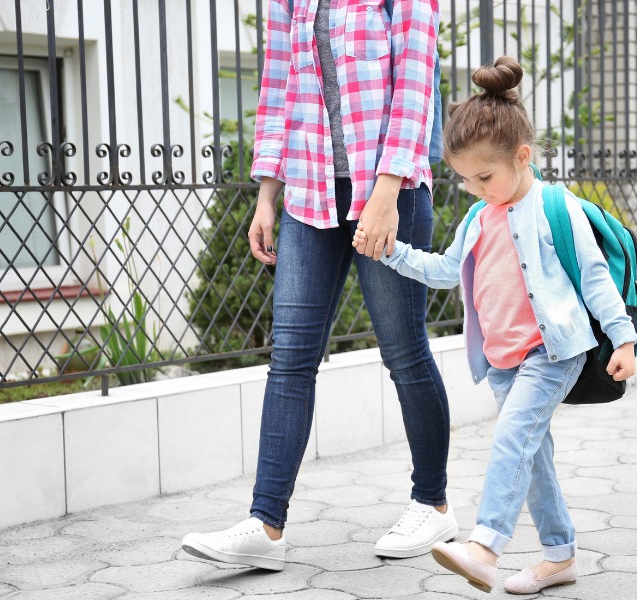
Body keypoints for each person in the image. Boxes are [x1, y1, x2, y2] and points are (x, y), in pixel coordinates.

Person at [181, 0, 457, 570]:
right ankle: (265, 524)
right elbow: (277, 89)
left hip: (390, 192)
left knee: (404, 353)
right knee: (290, 358)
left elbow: (413, 86)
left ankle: (433, 503)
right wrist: (265, 194)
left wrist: (385, 194)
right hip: (309, 193)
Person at [352, 56, 637, 594]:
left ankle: (484, 548)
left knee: (511, 440)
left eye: (485, 176)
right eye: (466, 181)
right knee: (532, 461)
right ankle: (560, 556)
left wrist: (623, 336)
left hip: (551, 353)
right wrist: (392, 254)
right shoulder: (479, 216)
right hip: (503, 362)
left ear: (522, 156)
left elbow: (597, 277)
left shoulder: (557, 206)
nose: (477, 188)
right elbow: (442, 272)